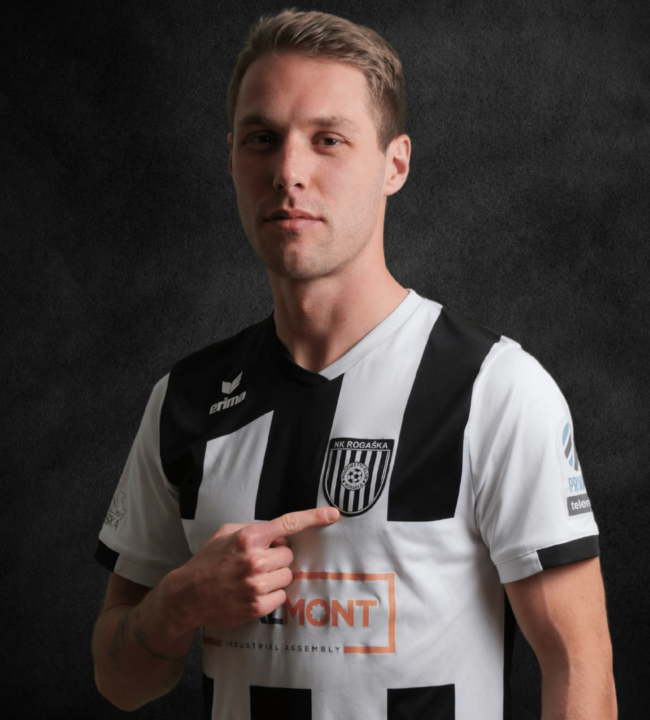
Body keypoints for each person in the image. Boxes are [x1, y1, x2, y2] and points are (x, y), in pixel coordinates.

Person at [92, 9, 617, 720]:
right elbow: (120, 682)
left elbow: (578, 666)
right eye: (262, 139)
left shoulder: (495, 388)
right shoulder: (184, 399)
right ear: (231, 157)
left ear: (394, 164)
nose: (288, 172)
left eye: (328, 140)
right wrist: (180, 600)